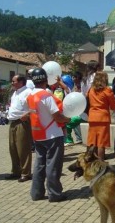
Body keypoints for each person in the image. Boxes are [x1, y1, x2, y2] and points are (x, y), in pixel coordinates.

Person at [27, 68, 70, 202]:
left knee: (39, 165)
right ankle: (55, 194)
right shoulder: (46, 95)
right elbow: (57, 116)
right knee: (53, 165)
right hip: (52, 134)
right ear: (45, 80)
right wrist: (67, 119)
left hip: (38, 134)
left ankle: (36, 193)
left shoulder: (30, 95)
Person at [5, 74, 33, 182]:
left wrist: (27, 115)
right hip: (12, 122)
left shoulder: (28, 92)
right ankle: (16, 171)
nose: (12, 83)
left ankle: (25, 173)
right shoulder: (15, 93)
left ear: (21, 82)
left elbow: (34, 108)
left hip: (22, 123)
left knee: (23, 148)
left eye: (14, 81)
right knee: (13, 148)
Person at [87, 72, 115, 161]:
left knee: (92, 141)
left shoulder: (91, 90)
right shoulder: (107, 90)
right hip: (103, 118)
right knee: (101, 142)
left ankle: (90, 159)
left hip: (92, 117)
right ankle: (100, 161)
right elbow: (113, 107)